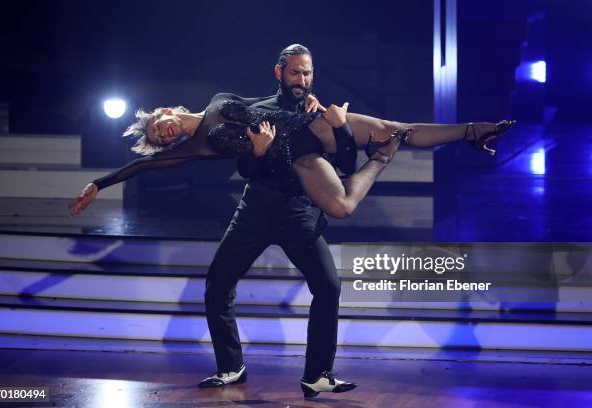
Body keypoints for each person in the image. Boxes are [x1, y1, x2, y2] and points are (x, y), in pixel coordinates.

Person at [68, 44, 514, 399]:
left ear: (167, 109)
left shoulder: (222, 100)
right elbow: (159, 168)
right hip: (260, 206)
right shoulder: (194, 148)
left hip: (301, 177)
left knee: (390, 130)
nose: (162, 132)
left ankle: (476, 131)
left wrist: (332, 125)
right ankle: (231, 366)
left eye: (159, 123)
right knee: (218, 282)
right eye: (156, 138)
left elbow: (330, 148)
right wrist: (99, 185)